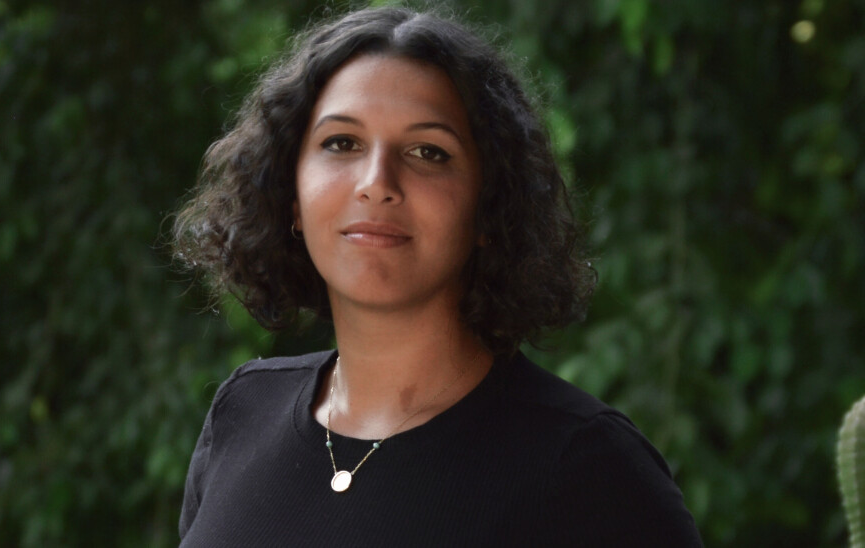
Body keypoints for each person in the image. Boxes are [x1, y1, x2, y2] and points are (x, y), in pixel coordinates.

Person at [172, 6, 703, 547]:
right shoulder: (242, 411)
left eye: (429, 152)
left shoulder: (585, 468)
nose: (376, 183)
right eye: (342, 143)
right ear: (290, 194)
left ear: (489, 208)